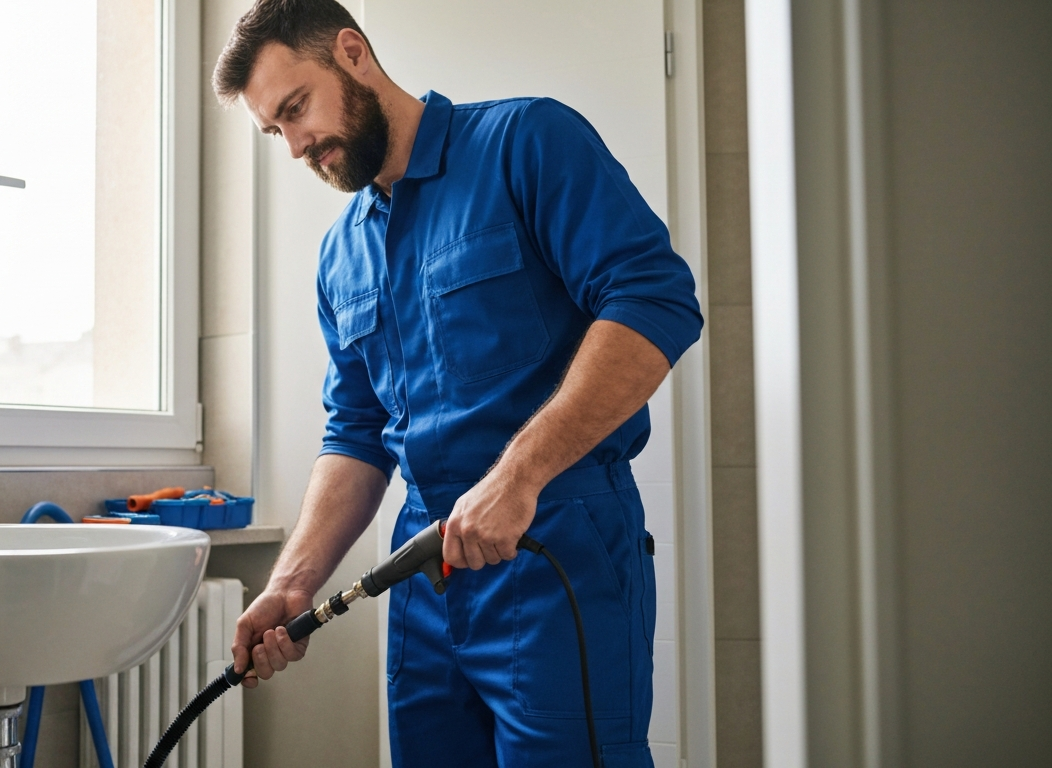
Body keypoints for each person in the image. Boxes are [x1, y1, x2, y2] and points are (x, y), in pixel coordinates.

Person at [214, 1, 703, 765]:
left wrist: (518, 477)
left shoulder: (527, 142)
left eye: (296, 108)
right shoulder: (341, 256)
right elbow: (357, 433)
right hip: (423, 577)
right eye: (275, 130)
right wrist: (292, 583)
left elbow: (655, 300)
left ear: (352, 52)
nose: (296, 146)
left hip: (557, 550)